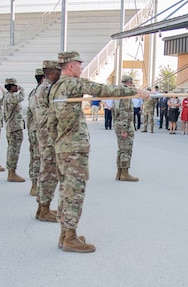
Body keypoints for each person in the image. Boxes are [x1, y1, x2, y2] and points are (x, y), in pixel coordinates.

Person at [47, 51, 149, 253]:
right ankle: (70, 237)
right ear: (70, 66)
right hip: (74, 150)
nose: (82, 67)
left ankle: (64, 234)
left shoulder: (55, 88)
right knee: (75, 193)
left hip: (63, 147)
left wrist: (58, 142)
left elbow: (51, 123)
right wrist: (135, 91)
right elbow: (102, 90)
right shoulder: (71, 84)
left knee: (66, 191)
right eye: (79, 64)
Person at [33, 60, 62, 223]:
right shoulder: (48, 88)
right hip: (49, 135)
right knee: (50, 172)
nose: (61, 75)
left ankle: (42, 207)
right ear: (52, 73)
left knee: (46, 170)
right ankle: (44, 209)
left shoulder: (41, 87)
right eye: (59, 72)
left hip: (44, 134)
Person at [113, 75, 139, 181]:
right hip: (125, 125)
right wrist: (124, 129)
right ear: (128, 83)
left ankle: (119, 172)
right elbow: (124, 112)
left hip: (118, 124)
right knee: (126, 149)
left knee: (121, 149)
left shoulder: (118, 93)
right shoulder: (125, 94)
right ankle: (124, 173)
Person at [3, 78, 25, 182]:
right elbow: (21, 97)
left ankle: (11, 172)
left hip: (12, 127)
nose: (17, 87)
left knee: (12, 150)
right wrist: (22, 90)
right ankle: (12, 173)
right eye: (15, 86)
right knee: (14, 151)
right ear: (11, 87)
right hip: (14, 128)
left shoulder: (8, 96)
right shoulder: (10, 97)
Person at [27, 68, 45, 196]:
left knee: (34, 157)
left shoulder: (33, 92)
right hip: (39, 130)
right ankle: (36, 185)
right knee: (39, 158)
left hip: (33, 129)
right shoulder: (41, 93)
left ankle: (34, 184)